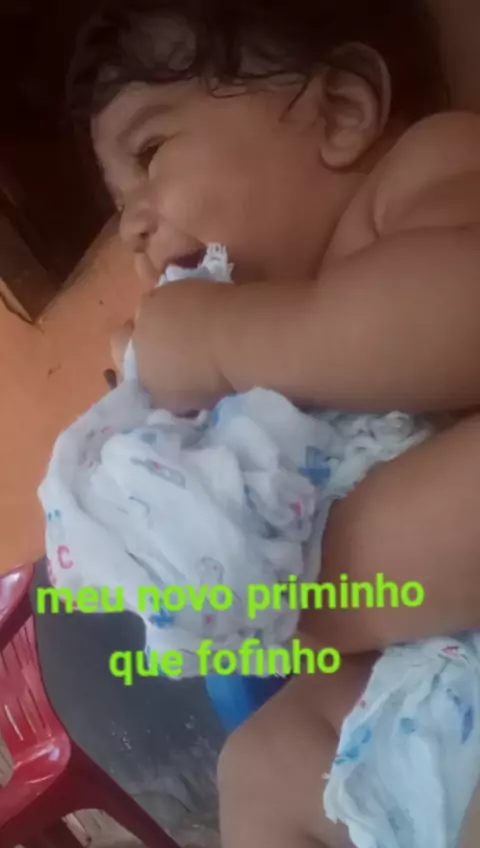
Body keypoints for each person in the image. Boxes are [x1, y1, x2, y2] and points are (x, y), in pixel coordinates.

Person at [69, 1, 480, 845]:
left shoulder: (423, 173)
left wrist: (228, 337)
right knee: (258, 763)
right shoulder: (262, 395)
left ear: (340, 112)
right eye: (119, 201)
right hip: (401, 680)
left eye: (151, 153)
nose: (132, 225)